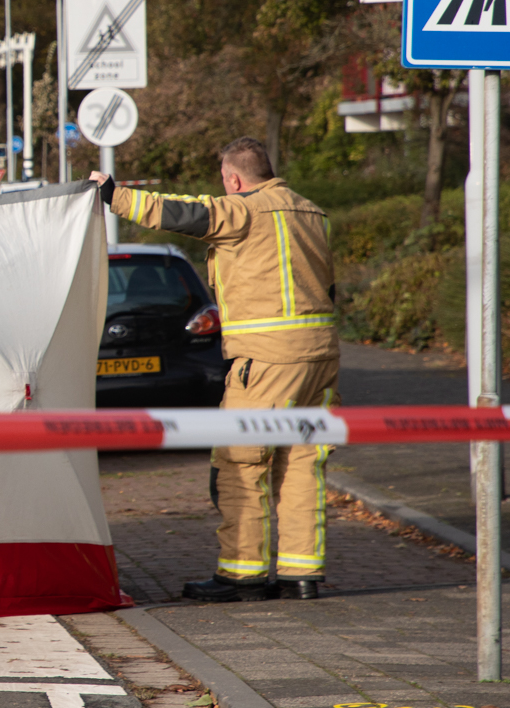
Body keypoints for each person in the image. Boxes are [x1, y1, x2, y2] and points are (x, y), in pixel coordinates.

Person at [90, 136, 339, 602]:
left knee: (243, 463)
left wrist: (114, 195)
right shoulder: (311, 212)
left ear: (233, 179)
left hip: (266, 359)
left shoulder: (243, 210)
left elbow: (186, 213)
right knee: (303, 464)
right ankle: (301, 575)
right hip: (320, 355)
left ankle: (241, 575)